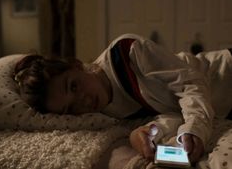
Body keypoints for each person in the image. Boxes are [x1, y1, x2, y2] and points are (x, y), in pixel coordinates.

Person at [14, 33, 232, 165]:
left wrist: (195, 129)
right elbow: (169, 111)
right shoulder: (104, 115)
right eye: (71, 107)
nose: (83, 100)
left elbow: (190, 82)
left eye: (73, 85)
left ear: (76, 65)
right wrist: (145, 134)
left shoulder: (126, 51)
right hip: (225, 111)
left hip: (225, 75)